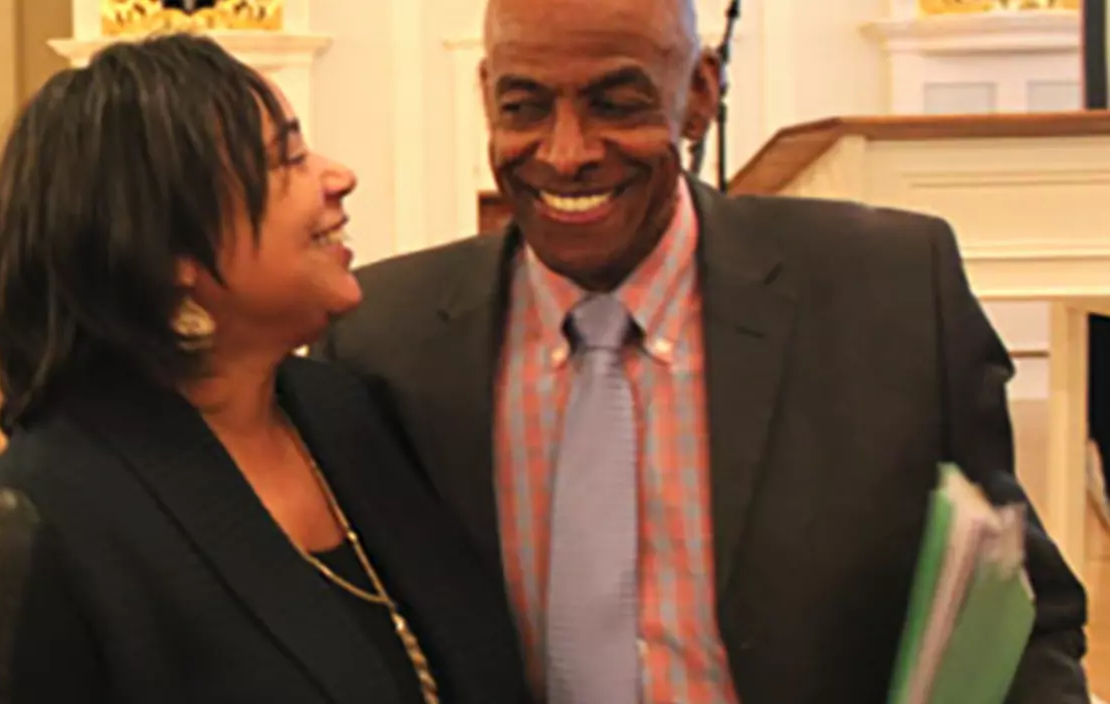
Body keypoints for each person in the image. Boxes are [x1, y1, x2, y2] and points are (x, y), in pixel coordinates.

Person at [312, 0, 1091, 701]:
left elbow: (1020, 610)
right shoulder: (383, 341)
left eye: (616, 104)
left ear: (699, 93)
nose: (568, 151)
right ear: (487, 95)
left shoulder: (886, 298)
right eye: (525, 106)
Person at [0, 33, 530, 704]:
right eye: (287, 160)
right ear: (166, 251)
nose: (338, 176)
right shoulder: (43, 517)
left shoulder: (345, 409)